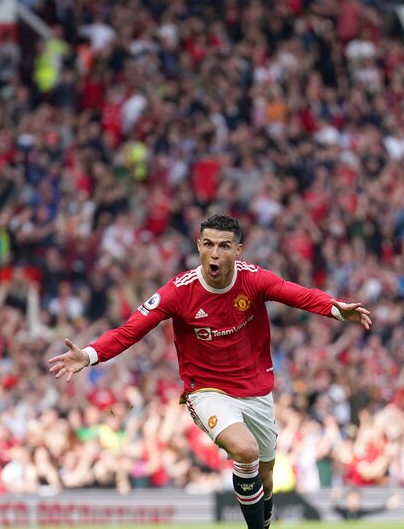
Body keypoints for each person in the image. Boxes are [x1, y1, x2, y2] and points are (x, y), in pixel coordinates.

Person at [48, 214, 372, 529]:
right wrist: (89, 355)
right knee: (245, 451)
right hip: (206, 391)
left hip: (256, 389)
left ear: (238, 251)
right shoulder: (178, 291)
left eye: (224, 246)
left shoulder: (253, 279)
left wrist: (334, 308)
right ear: (199, 246)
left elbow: (296, 293)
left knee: (267, 478)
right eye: (208, 244)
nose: (215, 253)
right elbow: (128, 331)